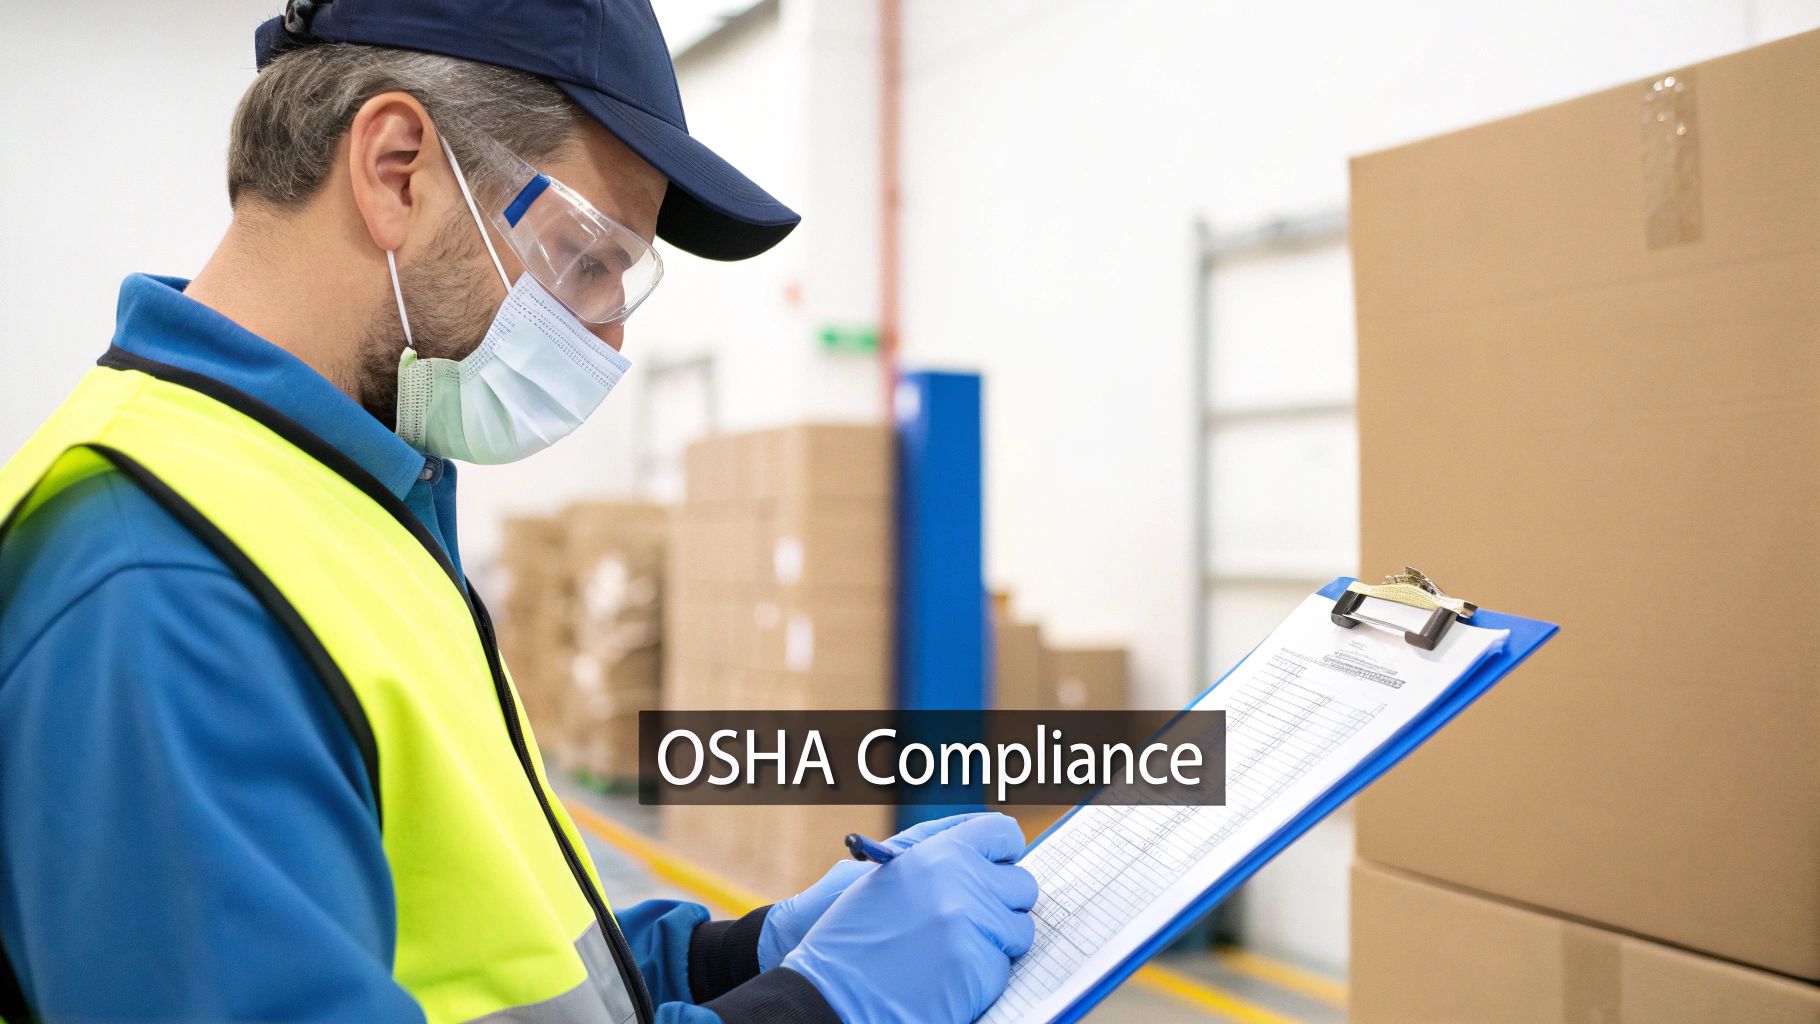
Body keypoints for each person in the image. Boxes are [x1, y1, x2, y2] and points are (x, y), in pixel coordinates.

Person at [0, 1, 1038, 1022]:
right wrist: (816, 1009)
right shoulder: (164, 583)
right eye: (586, 259)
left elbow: (484, 960)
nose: (608, 340)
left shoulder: (340, 499)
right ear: (397, 169)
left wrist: (734, 958)